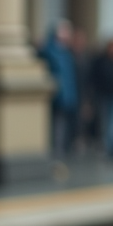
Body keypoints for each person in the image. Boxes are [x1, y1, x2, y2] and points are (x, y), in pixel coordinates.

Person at [38, 20, 79, 157]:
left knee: (62, 126)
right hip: (55, 95)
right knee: (53, 125)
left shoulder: (66, 52)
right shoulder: (48, 51)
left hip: (66, 96)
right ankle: (54, 152)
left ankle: (59, 150)